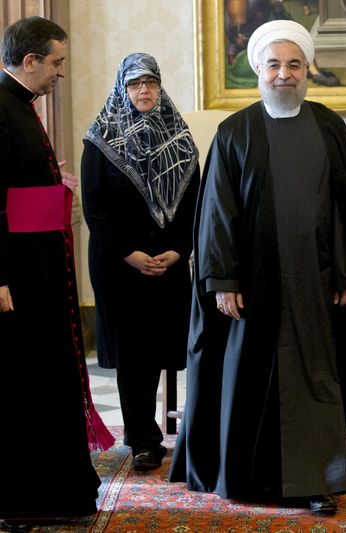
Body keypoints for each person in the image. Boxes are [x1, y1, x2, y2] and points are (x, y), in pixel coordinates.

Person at [169, 20, 346, 514]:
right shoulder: (234, 131)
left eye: (294, 65)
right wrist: (223, 279)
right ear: (258, 70)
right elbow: (217, 213)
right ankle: (247, 479)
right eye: (275, 65)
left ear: (308, 70)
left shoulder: (330, 127)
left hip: (316, 282)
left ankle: (317, 481)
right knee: (247, 379)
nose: (284, 75)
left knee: (315, 381)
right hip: (252, 287)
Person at [0, 16, 113, 533]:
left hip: (39, 271)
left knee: (48, 379)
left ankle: (57, 493)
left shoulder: (19, 106)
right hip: (17, 279)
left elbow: (20, 192)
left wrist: (54, 186)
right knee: (27, 387)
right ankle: (26, 498)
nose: (60, 73)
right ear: (30, 62)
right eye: (56, 63)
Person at [81, 53, 200, 473]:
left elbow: (194, 206)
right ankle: (143, 440)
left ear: (160, 85)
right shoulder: (100, 141)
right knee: (134, 355)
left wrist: (179, 249)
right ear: (122, 89)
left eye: (150, 82)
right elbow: (95, 210)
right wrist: (129, 253)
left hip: (168, 262)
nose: (143, 90)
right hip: (119, 266)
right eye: (134, 84)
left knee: (162, 348)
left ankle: (171, 433)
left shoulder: (181, 140)